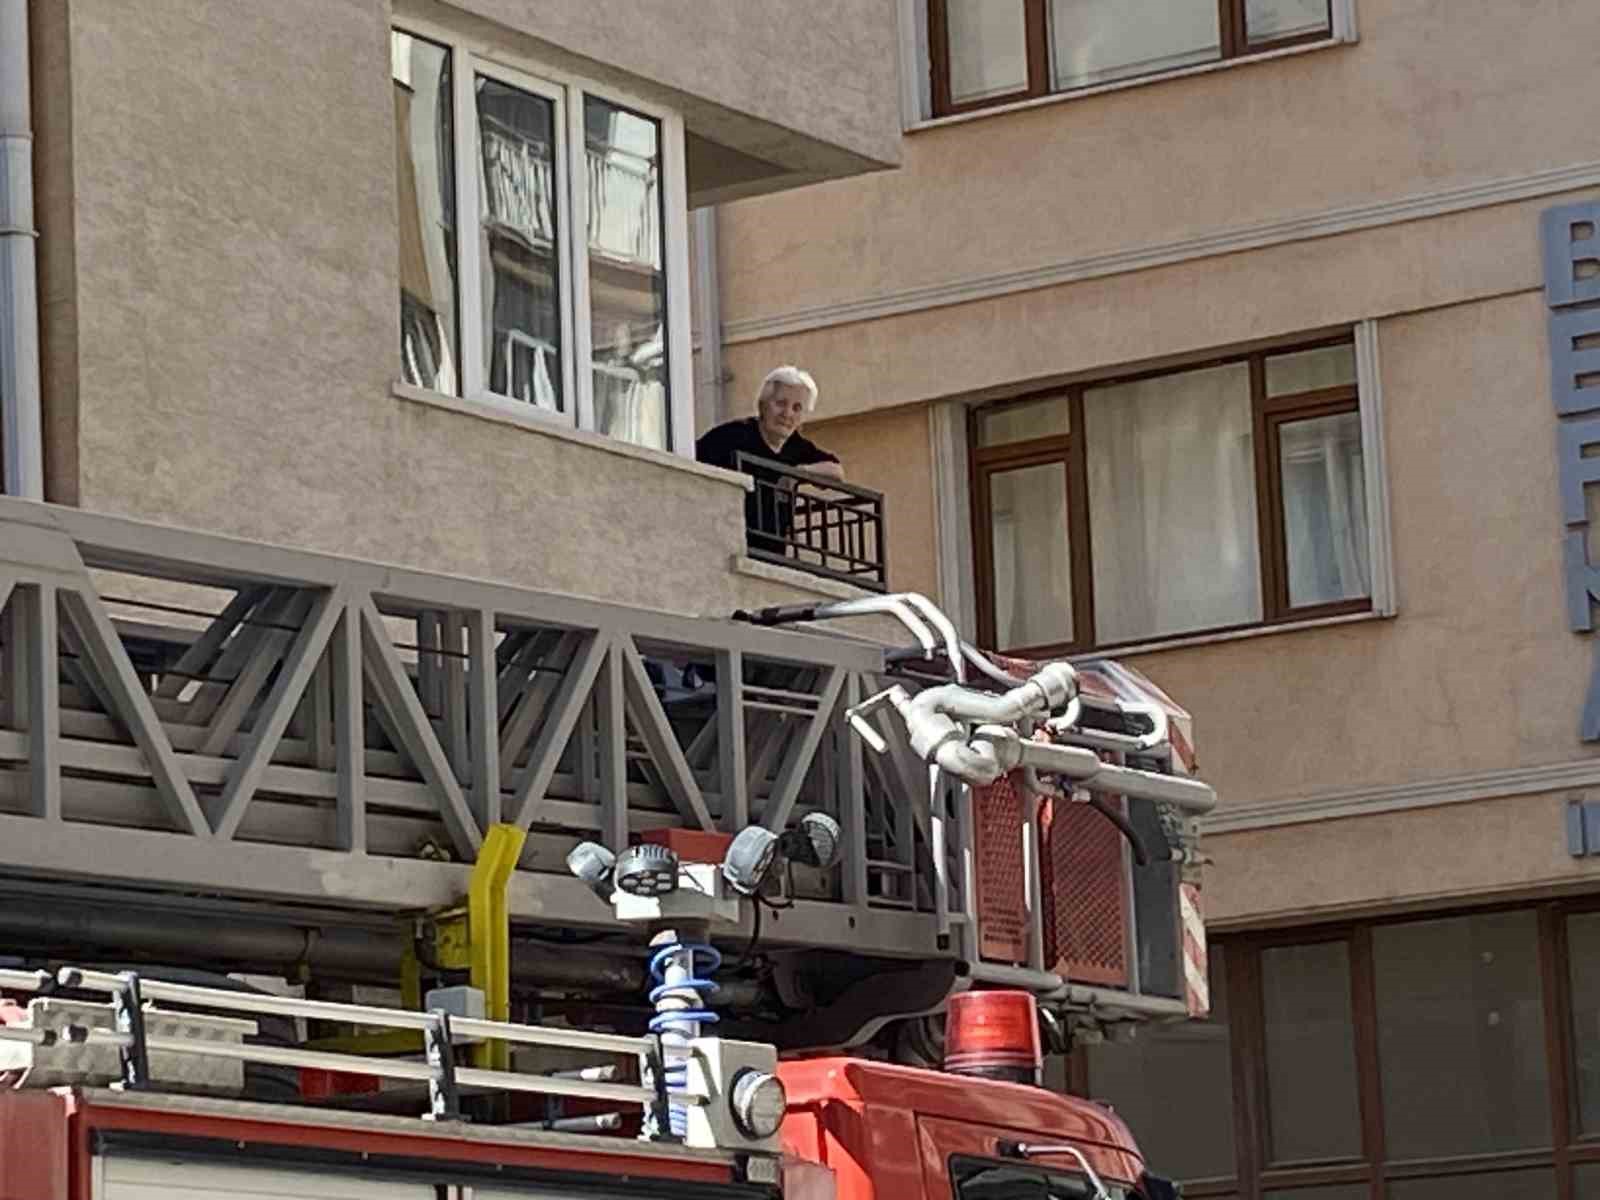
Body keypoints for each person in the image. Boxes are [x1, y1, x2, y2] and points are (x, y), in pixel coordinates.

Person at [695, 366, 844, 556]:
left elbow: (836, 472)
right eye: (781, 403)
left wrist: (797, 473)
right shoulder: (732, 436)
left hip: (773, 552)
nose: (787, 414)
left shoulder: (796, 446)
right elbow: (690, 463)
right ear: (762, 405)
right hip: (727, 546)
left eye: (797, 408)